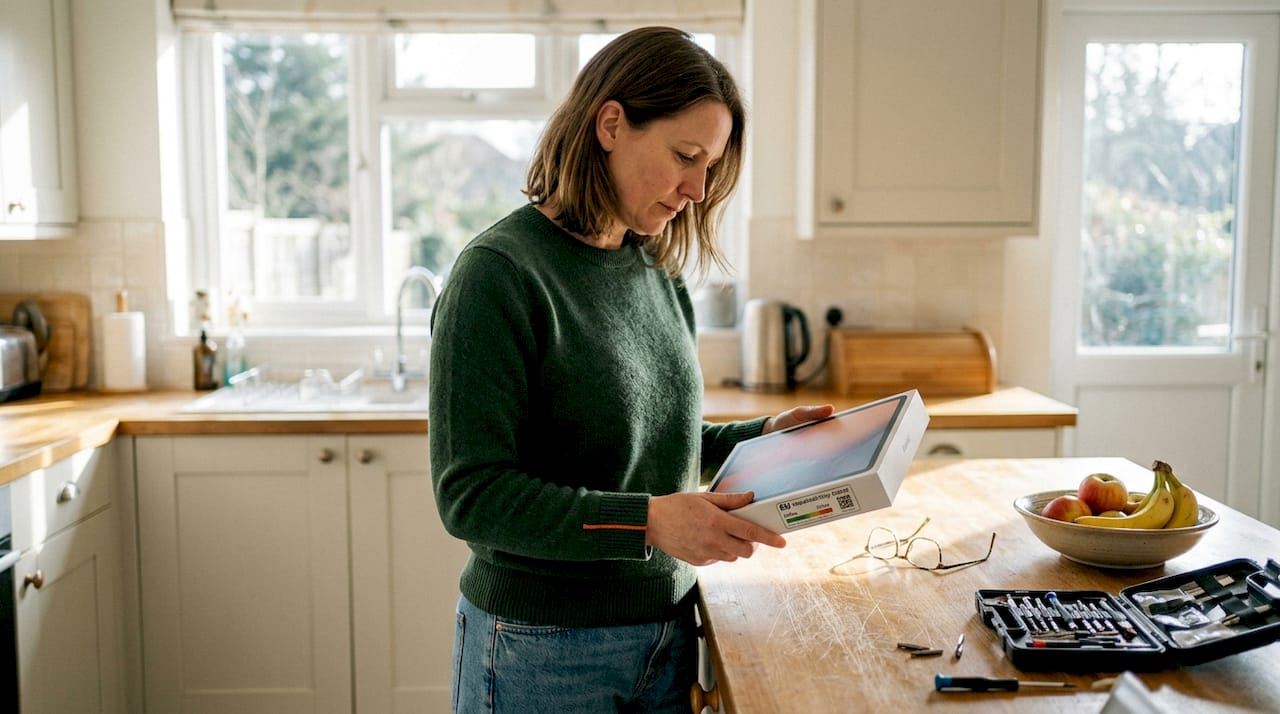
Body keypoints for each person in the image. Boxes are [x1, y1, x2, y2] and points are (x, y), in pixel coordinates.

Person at [428, 26, 833, 713]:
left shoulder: (655, 269)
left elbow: (653, 448)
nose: (698, 189)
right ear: (611, 124)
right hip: (539, 647)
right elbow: (472, 495)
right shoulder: (499, 275)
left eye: (711, 166)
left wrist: (766, 437)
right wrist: (647, 522)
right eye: (686, 156)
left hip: (668, 632)